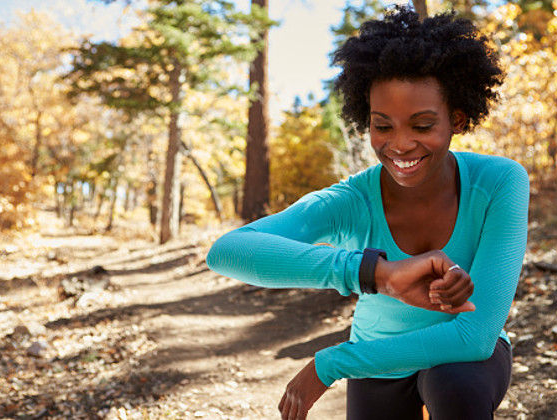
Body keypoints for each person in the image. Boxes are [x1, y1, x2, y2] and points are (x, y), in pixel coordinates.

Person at [206, 5, 529, 420]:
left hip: (464, 360)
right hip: (376, 359)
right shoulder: (351, 200)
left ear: (458, 119)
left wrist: (329, 364)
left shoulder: (500, 182)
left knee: (456, 387)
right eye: (383, 125)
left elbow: (475, 336)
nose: (400, 144)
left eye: (422, 125)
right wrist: (375, 273)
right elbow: (228, 250)